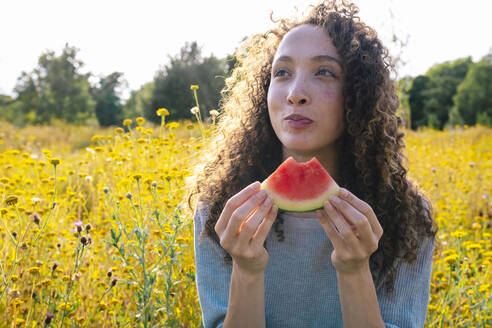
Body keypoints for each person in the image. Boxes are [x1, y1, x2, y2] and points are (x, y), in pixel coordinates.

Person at [187, 1, 437, 327]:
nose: (295, 94)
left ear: (358, 94)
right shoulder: (222, 207)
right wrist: (246, 270)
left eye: (324, 72)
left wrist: (353, 269)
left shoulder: (406, 214)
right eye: (282, 73)